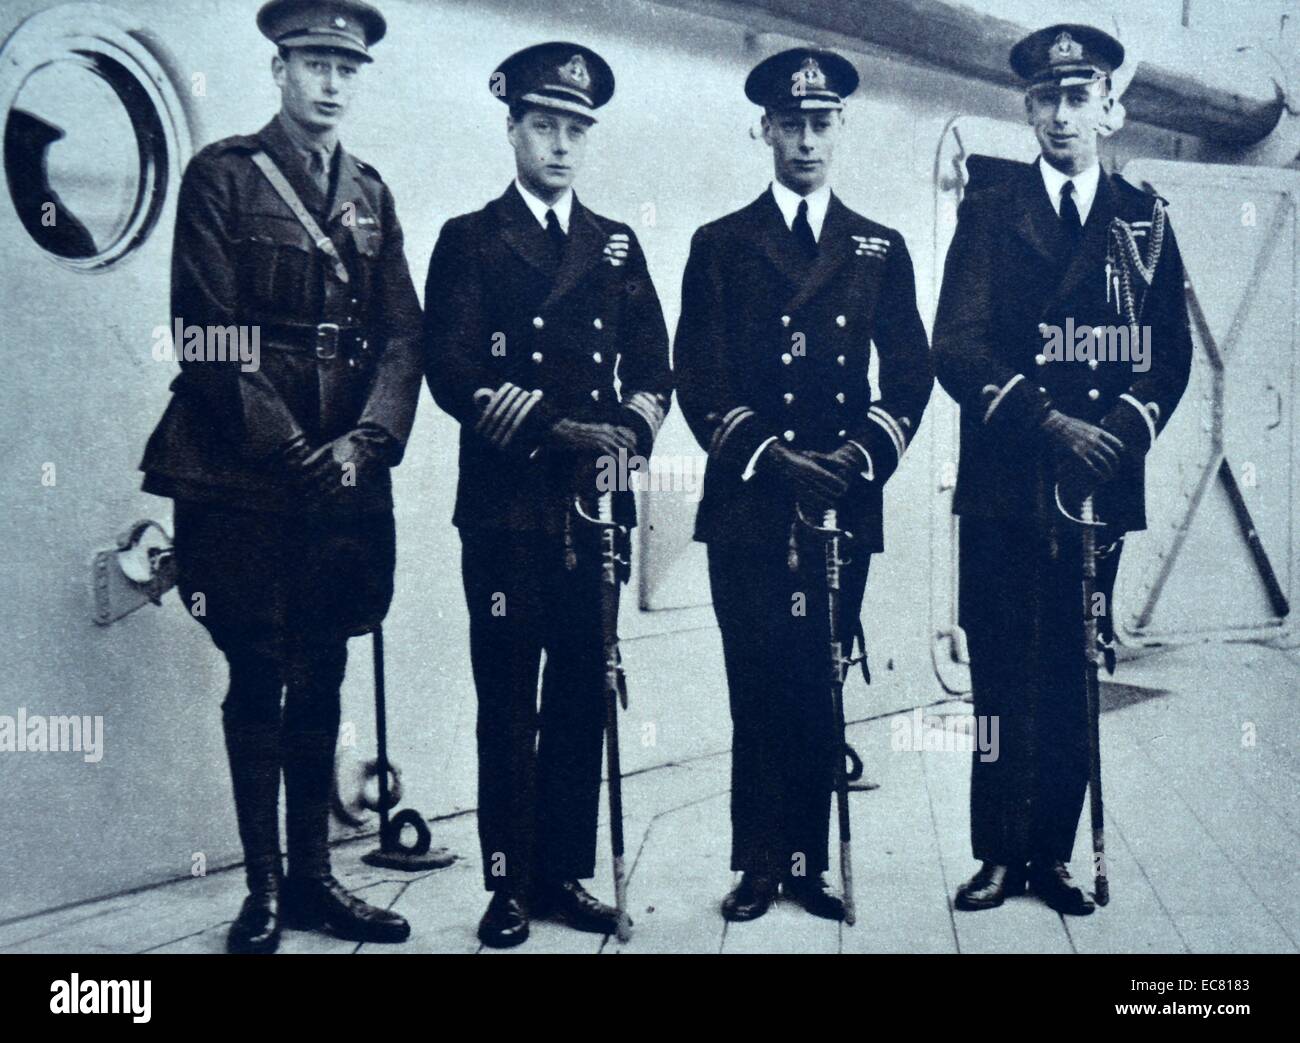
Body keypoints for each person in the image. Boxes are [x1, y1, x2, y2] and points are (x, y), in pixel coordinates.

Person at [139, 0, 425, 953]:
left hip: (343, 474)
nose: (331, 83)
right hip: (239, 470)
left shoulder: (372, 193)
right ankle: (262, 890)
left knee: (327, 663)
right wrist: (288, 448)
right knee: (258, 670)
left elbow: (402, 335)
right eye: (313, 63)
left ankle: (315, 881)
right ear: (279, 68)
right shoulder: (221, 176)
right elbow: (207, 330)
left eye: (346, 68)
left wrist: (368, 441)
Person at [932, 23, 1193, 916]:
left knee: (1075, 669)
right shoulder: (988, 209)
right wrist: (1050, 424)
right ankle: (998, 853)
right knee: (1002, 673)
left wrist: (1117, 428)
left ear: (1108, 109)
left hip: (1099, 481)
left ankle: (1051, 855)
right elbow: (956, 347)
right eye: (1044, 98)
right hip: (1010, 478)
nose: (1059, 114)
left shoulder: (1144, 221)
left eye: (1078, 96)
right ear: (1028, 107)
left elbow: (1170, 356)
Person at [423, 42, 672, 948]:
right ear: (514, 130)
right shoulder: (470, 237)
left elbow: (655, 364)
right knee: (507, 699)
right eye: (544, 126)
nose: (560, 145)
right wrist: (551, 430)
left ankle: (561, 872)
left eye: (575, 130)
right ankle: (506, 884)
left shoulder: (616, 241)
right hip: (507, 506)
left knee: (581, 691)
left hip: (594, 504)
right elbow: (448, 368)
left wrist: (634, 433)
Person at [675, 48, 932, 923]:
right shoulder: (720, 243)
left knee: (818, 682)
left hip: (842, 502)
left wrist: (857, 459)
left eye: (822, 124)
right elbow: (697, 378)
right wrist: (775, 457)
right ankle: (756, 863)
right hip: (752, 502)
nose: (808, 139)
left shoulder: (878, 247)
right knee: (756, 683)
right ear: (767, 130)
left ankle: (805, 860)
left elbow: (910, 374)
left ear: (840, 130)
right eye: (792, 124)